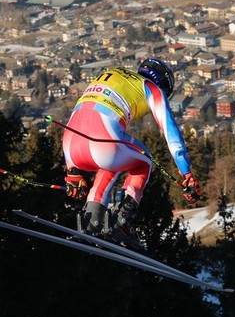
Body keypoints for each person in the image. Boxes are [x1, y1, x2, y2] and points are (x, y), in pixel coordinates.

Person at [61, 58, 201, 246]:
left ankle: (92, 220)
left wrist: (72, 171)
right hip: (103, 142)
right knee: (143, 159)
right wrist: (186, 173)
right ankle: (122, 222)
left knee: (114, 162)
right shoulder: (152, 89)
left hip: (70, 145)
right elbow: (171, 133)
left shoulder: (114, 73)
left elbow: (81, 114)